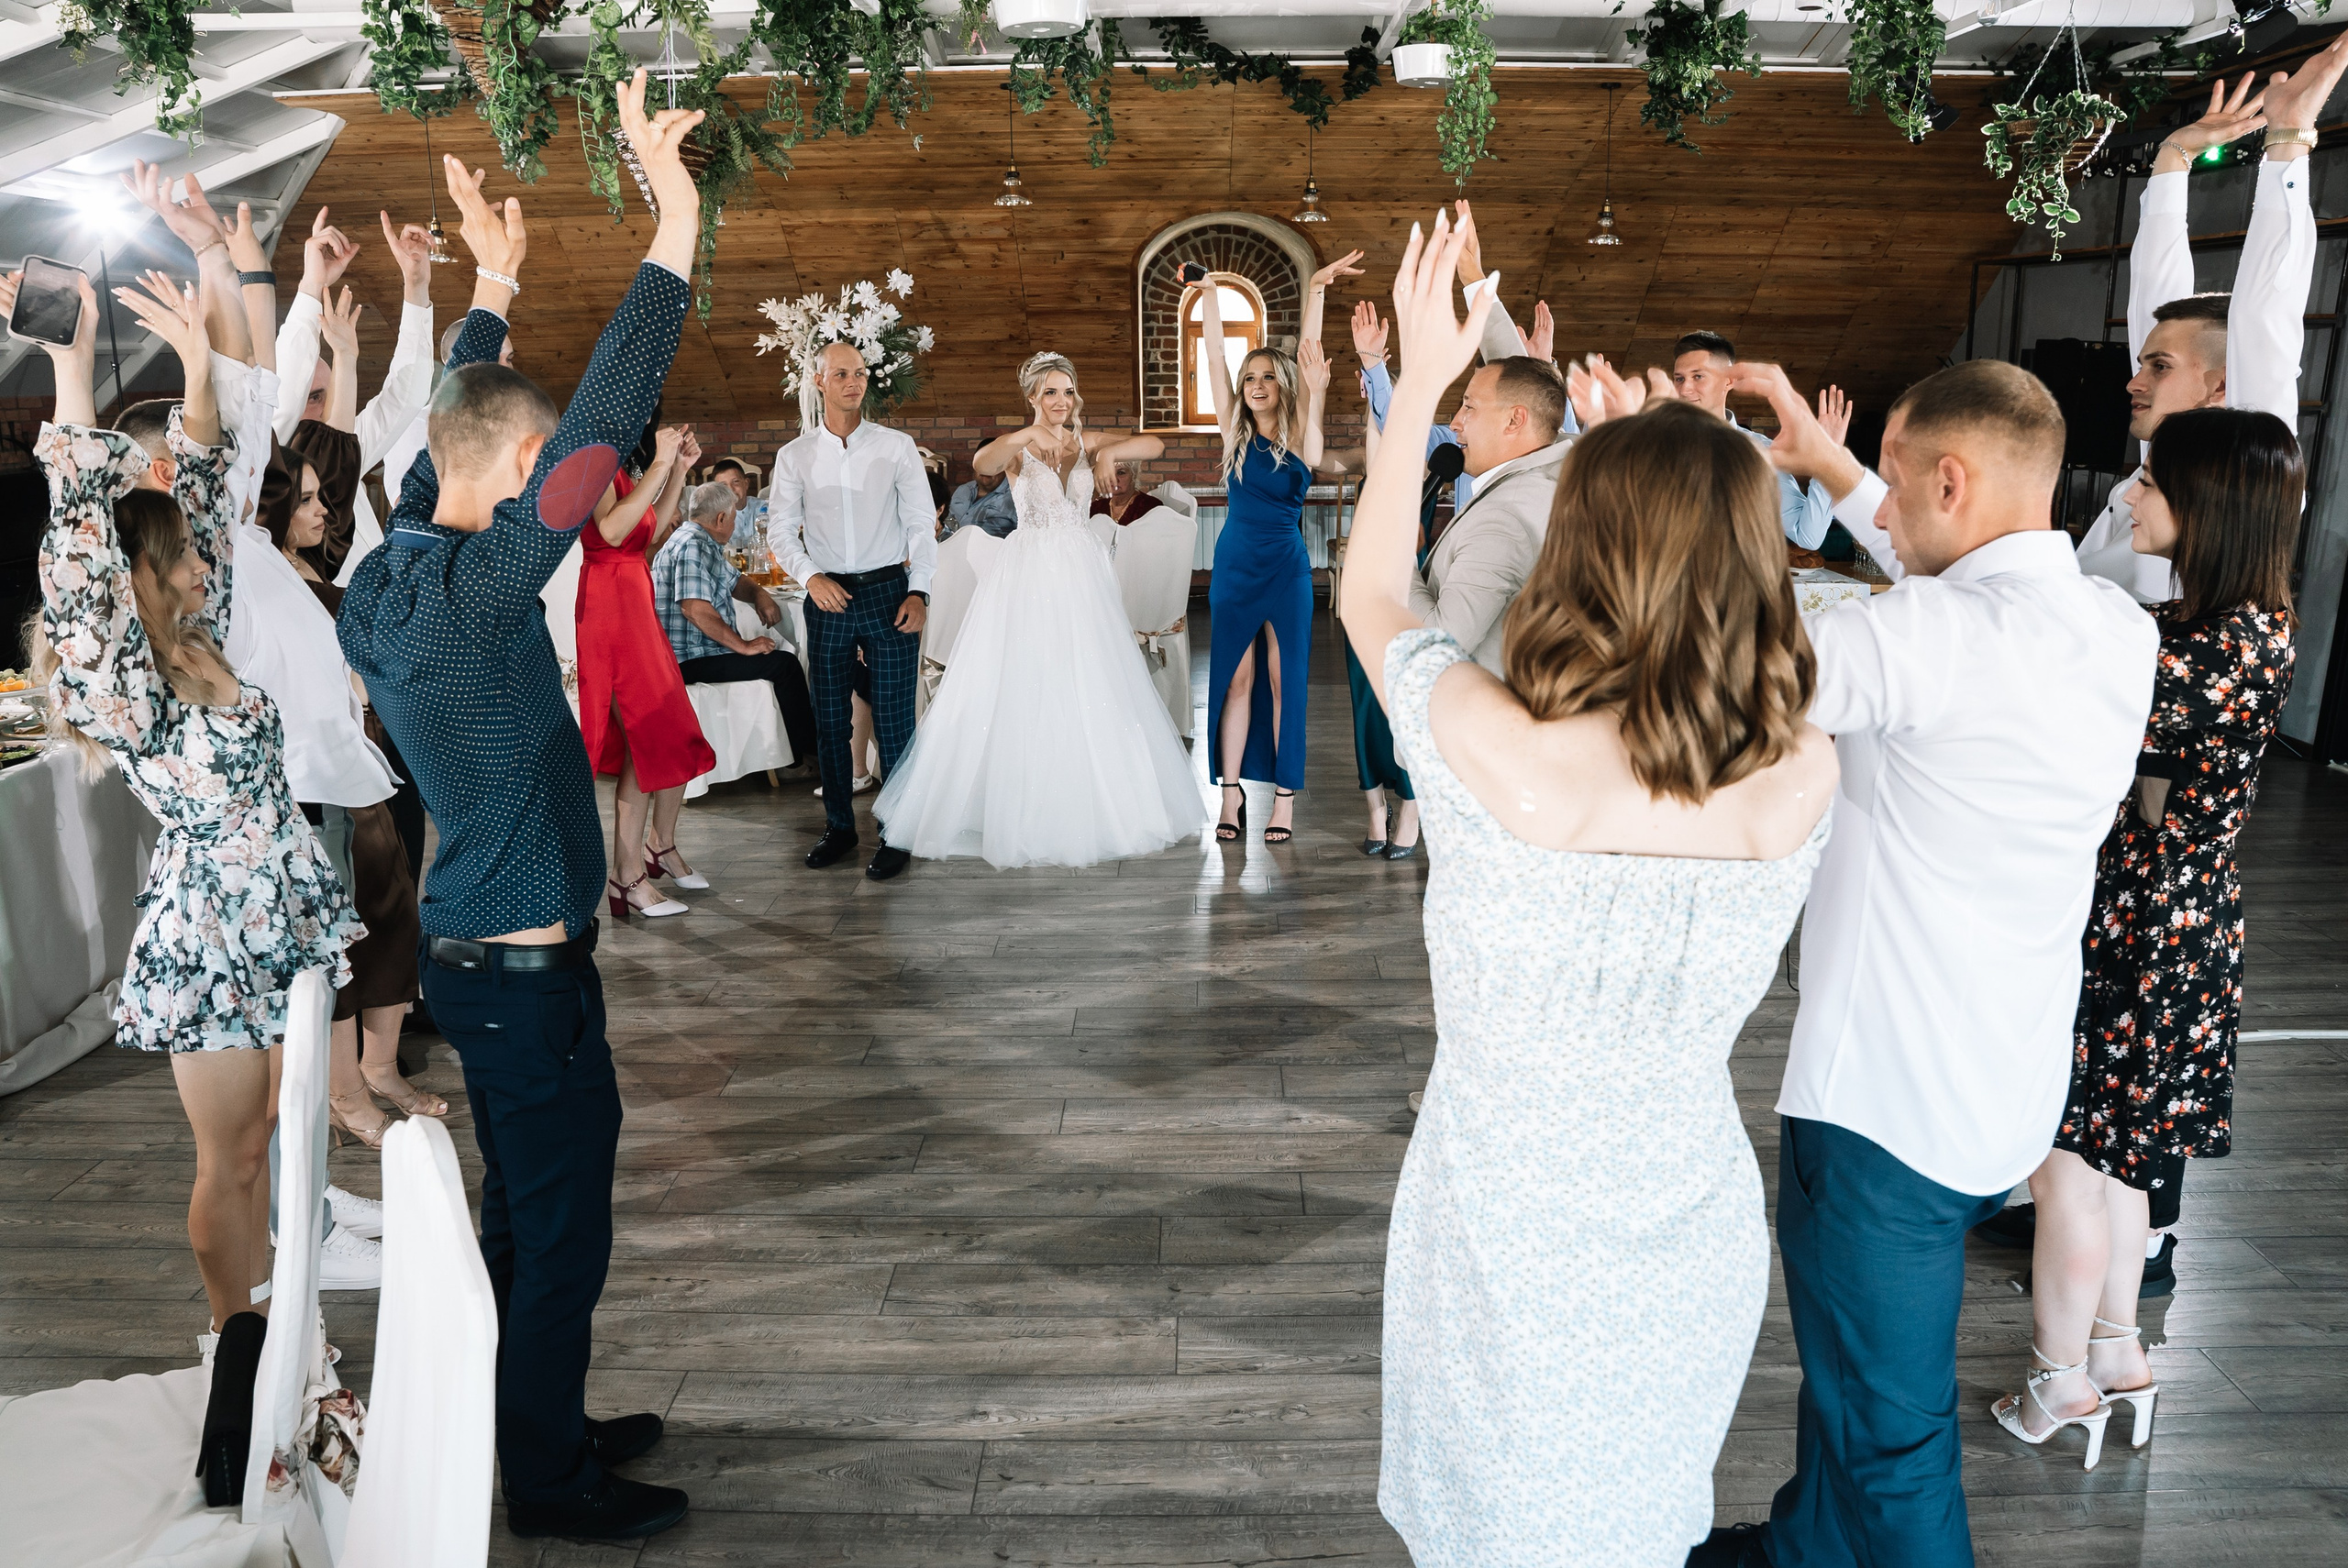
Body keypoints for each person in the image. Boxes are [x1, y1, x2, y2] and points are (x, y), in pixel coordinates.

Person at [1343, 214, 1836, 1567]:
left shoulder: (1499, 756)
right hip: (1690, 1213)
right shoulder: (1802, 769)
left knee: (1501, 1525)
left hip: (1505, 1218)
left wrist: (1422, 389)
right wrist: (1692, 462)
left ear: (1581, 543)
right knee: (1637, 1523)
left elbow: (1374, 590)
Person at [1675, 357, 2156, 1568]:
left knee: (1895, 1437)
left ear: (1951, 479)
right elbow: (1954, 598)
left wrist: (1688, 490)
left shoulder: (1919, 637)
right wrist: (1831, 464)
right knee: (1852, 1376)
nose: (1879, 516)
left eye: (1892, 487)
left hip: (1882, 1109)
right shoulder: (2114, 627)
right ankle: (1806, 1548)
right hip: (2008, 1083)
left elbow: (1719, 676)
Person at [338, 73, 700, 1541]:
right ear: (518, 471)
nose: (562, 477)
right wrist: (673, 219)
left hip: (485, 956)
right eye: (540, 464)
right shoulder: (486, 594)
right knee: (561, 1235)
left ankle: (529, 1417)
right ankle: (548, 1482)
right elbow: (602, 422)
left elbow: (453, 438)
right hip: (522, 965)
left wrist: (490, 290)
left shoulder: (389, 572)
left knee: (520, 1214)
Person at [17, 262, 360, 1357]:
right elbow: (83, 534)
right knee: (235, 1156)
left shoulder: (199, 636)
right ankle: (236, 1343)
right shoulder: (122, 680)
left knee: (277, 1135)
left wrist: (199, 364)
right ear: (144, 576)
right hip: (211, 929)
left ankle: (284, 1320)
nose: (208, 554)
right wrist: (73, 368)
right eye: (186, 554)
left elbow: (203, 471)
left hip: (281, 910)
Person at [1992, 406, 2301, 1467]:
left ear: (2207, 504)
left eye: (2151, 482)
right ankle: (2117, 1353)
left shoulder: (2193, 652)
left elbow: (2056, 681)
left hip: (2139, 925)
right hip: (2184, 919)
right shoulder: (2247, 628)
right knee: (2124, 1162)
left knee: (2065, 1165)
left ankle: (2056, 1382)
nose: (2128, 496)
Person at [874, 351, 1197, 868]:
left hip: (1082, 574)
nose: (1061, 401)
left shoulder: (1086, 441)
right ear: (1032, 397)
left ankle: (1089, 796)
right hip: (1030, 571)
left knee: (1088, 677)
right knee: (1029, 676)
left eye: (1067, 391)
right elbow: (983, 464)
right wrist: (1026, 434)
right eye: (1050, 392)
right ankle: (1017, 802)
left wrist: (1111, 452)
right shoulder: (1019, 447)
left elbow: (1155, 444)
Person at [768, 339, 936, 880]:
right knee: (830, 721)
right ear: (819, 381)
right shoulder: (794, 456)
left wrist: (920, 590)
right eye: (841, 373)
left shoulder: (896, 447)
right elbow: (779, 530)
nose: (853, 382)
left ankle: (897, 832)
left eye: (860, 373)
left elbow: (921, 524)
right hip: (828, 597)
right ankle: (839, 827)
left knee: (895, 720)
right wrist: (810, 577)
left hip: (891, 593)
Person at [1198, 252, 1344, 845]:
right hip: (1234, 567)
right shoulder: (1232, 429)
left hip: (1286, 570)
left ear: (1282, 384)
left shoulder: (1303, 429)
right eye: (1249, 377)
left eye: (1266, 377)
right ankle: (1230, 794)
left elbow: (1310, 357)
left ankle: (1284, 800)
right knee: (1235, 681)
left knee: (1286, 683)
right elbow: (1213, 354)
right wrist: (1210, 293)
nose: (1255, 385)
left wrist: (1316, 289)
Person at [580, 416, 713, 918]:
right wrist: (660, 463)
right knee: (644, 736)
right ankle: (627, 874)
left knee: (672, 731)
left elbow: (647, 535)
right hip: (610, 606)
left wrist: (678, 470)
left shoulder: (619, 464)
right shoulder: (594, 460)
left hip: (634, 599)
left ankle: (659, 847)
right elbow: (612, 531)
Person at [654, 480, 816, 764]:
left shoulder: (698, 539)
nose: (733, 524)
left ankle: (795, 752)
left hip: (697, 653)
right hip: (689, 659)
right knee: (786, 665)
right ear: (721, 519)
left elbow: (736, 581)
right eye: (732, 518)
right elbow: (695, 609)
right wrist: (743, 646)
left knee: (780, 657)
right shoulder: (692, 545)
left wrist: (759, 594)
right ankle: (809, 754)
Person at [1668, 331, 1837, 549]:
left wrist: (1827, 461)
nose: (1684, 389)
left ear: (1729, 381)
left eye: (1698, 376)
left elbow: (1808, 536)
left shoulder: (1760, 452)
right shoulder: (1655, 447)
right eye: (1679, 379)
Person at [944, 461, 1019, 539]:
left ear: (1005, 469)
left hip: (991, 546)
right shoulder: (963, 489)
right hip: (951, 543)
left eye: (993, 465)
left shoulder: (1014, 497)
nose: (985, 470)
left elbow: (1021, 536)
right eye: (981, 465)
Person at [1090, 457, 1166, 526]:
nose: (1114, 479)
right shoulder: (1095, 507)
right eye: (1109, 473)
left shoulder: (1151, 507)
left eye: (1120, 473)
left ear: (1134, 475)